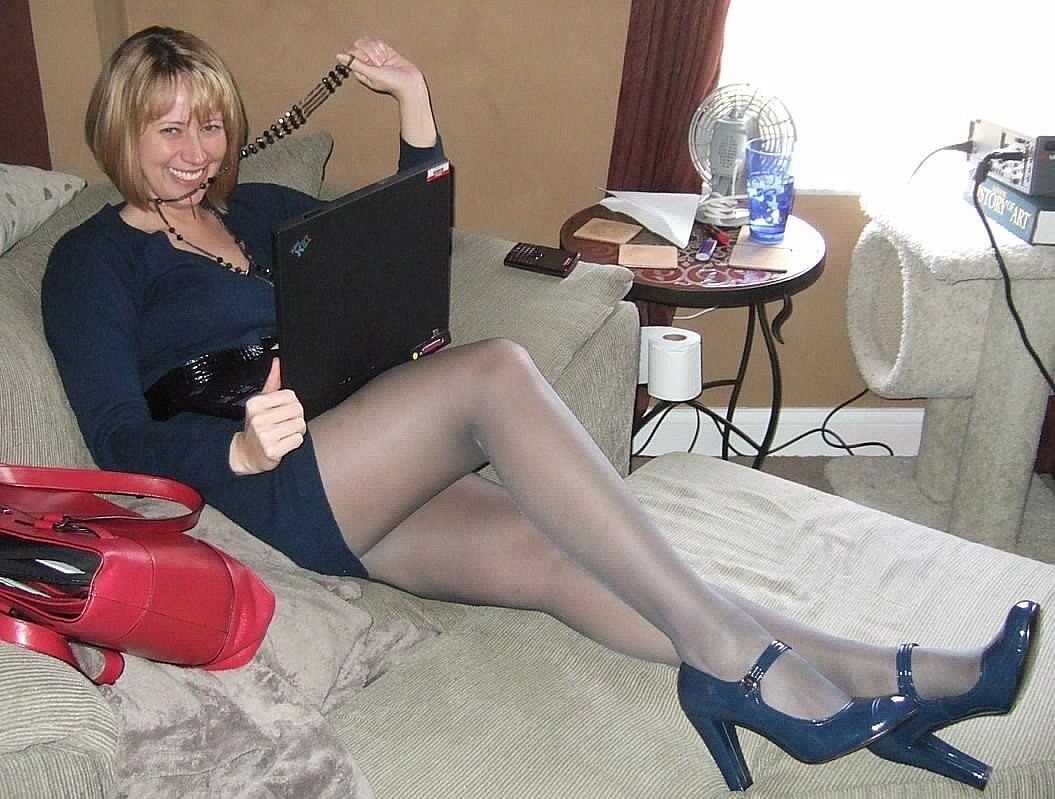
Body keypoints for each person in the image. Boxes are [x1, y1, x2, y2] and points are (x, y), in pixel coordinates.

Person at [41, 26, 1038, 792]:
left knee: (569, 559)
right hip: (268, 487)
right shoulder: (93, 260)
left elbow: (401, 242)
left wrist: (414, 104)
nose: (196, 148)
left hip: (358, 453)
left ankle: (898, 675)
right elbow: (115, 436)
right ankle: (740, 665)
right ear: (122, 129)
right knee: (494, 371)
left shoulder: (257, 208)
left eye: (209, 123)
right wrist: (240, 454)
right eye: (169, 127)